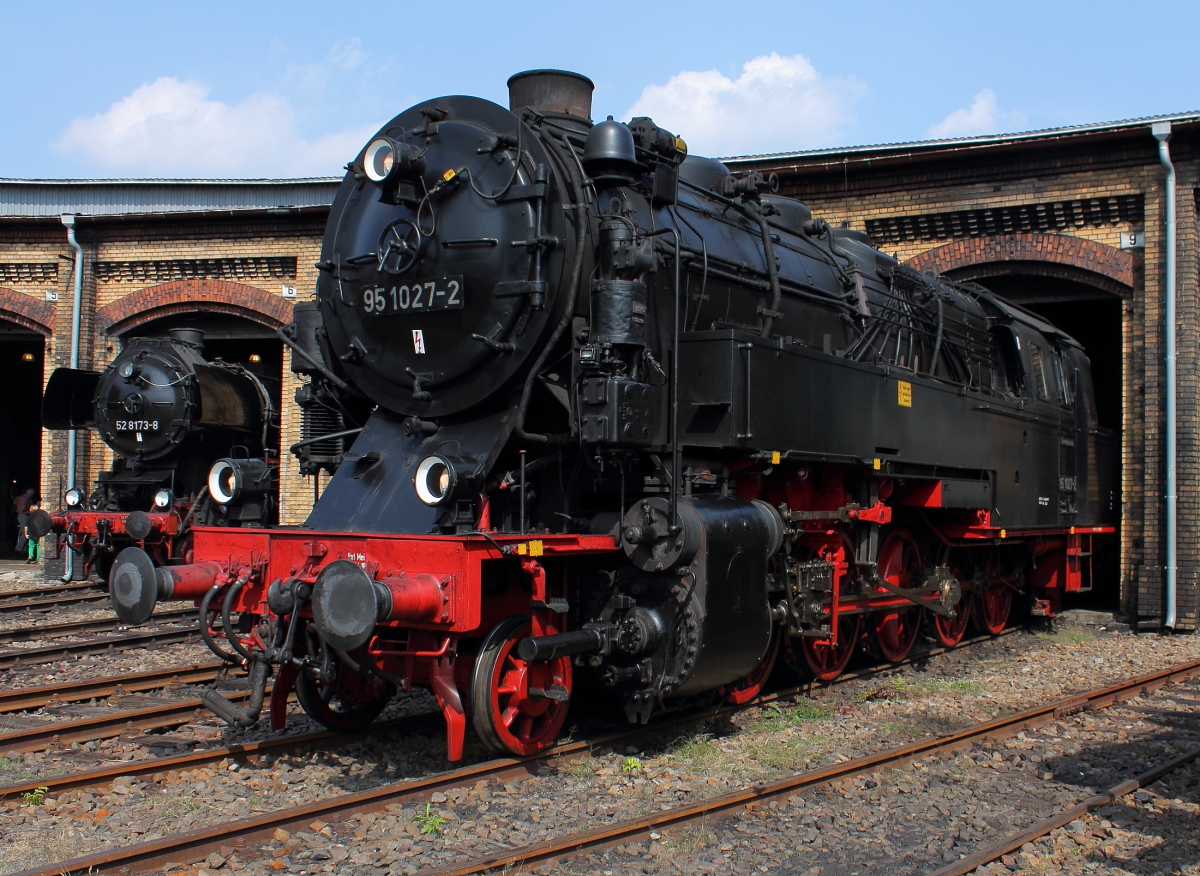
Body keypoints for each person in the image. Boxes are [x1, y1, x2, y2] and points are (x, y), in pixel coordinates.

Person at [14, 487, 34, 555]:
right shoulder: (24, 499)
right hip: (23, 516)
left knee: (26, 531)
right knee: (25, 532)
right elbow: (22, 509)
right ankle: (19, 547)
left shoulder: (25, 498)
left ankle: (23, 548)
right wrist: (30, 509)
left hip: (24, 516)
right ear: (30, 494)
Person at [24, 498, 40, 564]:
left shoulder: (29, 518)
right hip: (38, 533)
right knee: (38, 545)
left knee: (31, 545)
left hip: (31, 533)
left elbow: (26, 526)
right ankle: (38, 558)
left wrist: (25, 534)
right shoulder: (39, 517)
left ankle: (30, 556)